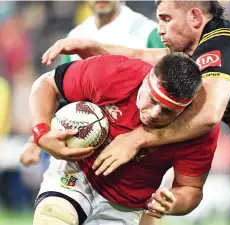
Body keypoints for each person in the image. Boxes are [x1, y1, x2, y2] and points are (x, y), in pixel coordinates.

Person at [42, 1, 230, 225]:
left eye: (166, 18)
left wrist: (138, 138)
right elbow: (146, 56)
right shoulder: (204, 51)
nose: (160, 28)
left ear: (195, 18)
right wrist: (96, 48)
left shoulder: (220, 45)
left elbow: (209, 114)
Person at [30, 53, 219, 225]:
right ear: (146, 80)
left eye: (167, 111)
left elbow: (190, 189)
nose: (154, 114)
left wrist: (173, 202)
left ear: (185, 109)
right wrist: (41, 132)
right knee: (52, 218)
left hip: (126, 207)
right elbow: (47, 83)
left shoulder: (199, 129)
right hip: (77, 175)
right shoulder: (115, 73)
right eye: (153, 100)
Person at [21, 0, 163, 165]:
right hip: (84, 149)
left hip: (135, 154)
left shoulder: (148, 32)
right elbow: (61, 96)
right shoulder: (75, 36)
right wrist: (36, 140)